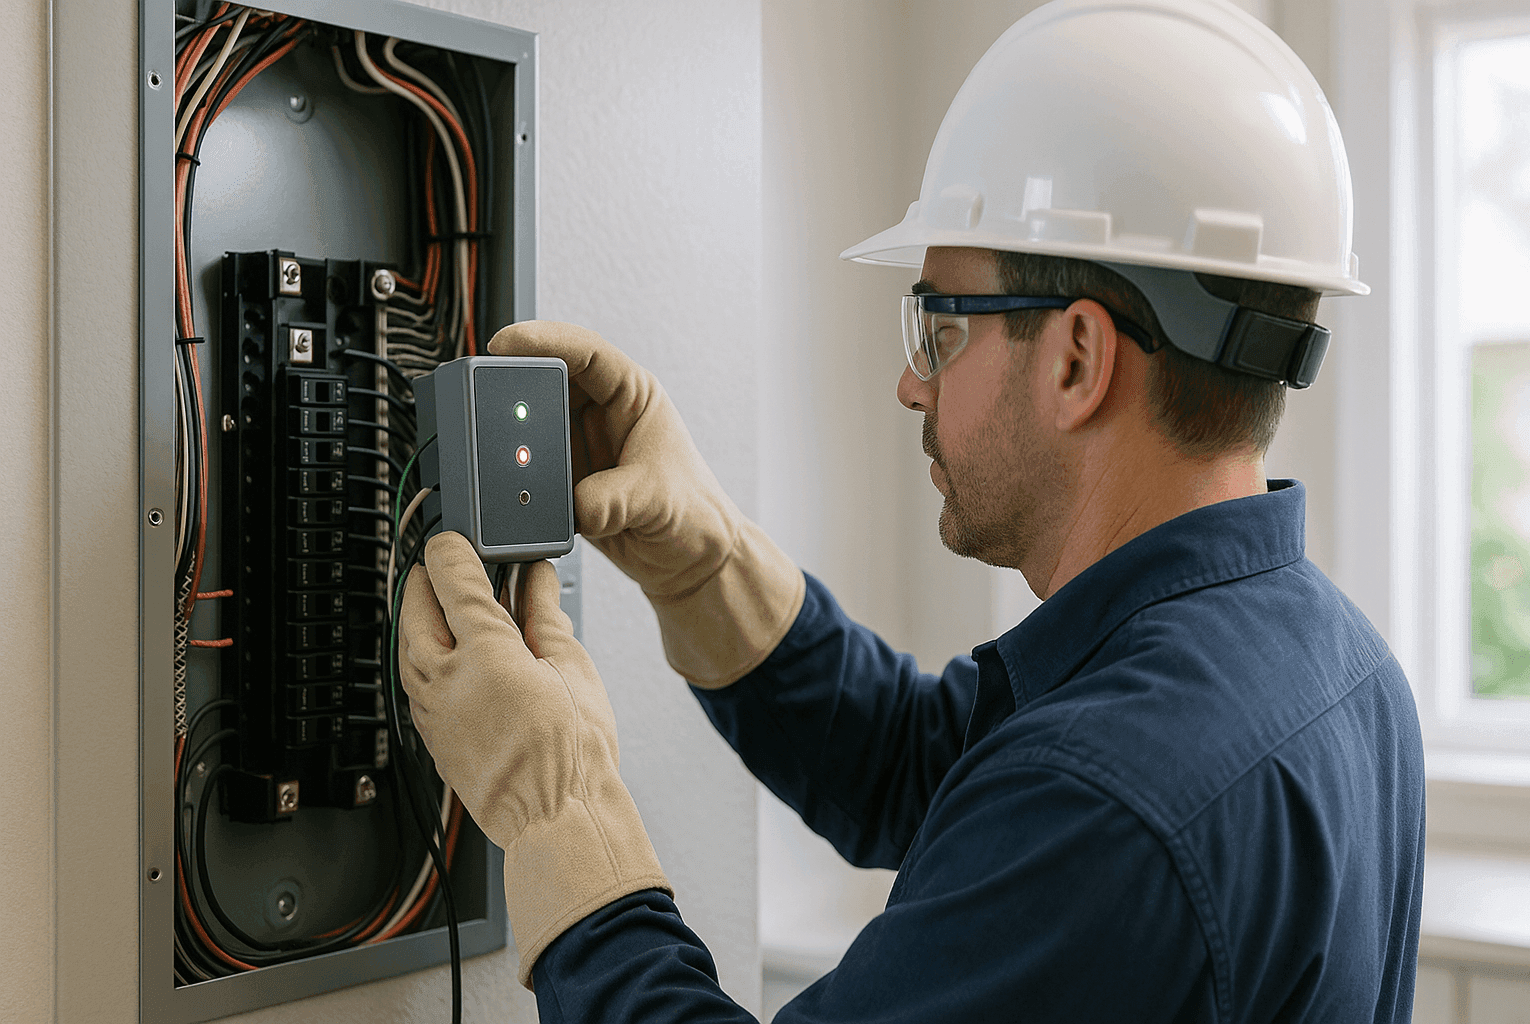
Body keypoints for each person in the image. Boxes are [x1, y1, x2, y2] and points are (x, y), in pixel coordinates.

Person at [397, 0, 1426, 1019]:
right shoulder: (1345, 670)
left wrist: (559, 808)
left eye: (939, 325)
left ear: (1077, 358)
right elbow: (923, 770)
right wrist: (707, 564)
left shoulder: (1110, 799)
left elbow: (1055, 801)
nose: (911, 382)